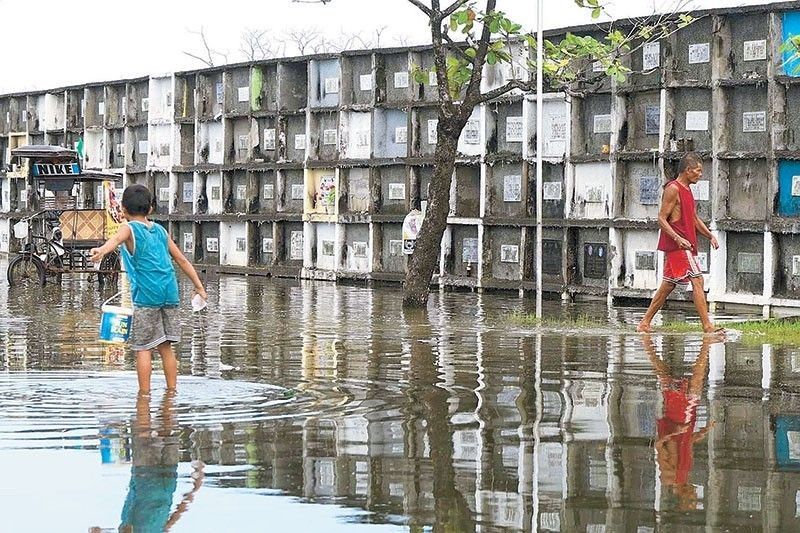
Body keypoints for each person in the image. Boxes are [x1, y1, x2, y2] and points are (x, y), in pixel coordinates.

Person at [91, 184, 208, 393]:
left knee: (143, 348)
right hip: (170, 294)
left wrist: (100, 251)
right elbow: (181, 259)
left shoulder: (128, 228)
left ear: (123, 210)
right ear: (150, 209)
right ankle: (172, 392)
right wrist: (199, 287)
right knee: (165, 346)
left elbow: (115, 240)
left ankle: (144, 395)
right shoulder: (160, 231)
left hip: (147, 297)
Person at [637, 153, 721, 333]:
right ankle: (707, 326)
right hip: (678, 246)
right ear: (688, 170)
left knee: (668, 284)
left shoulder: (688, 190)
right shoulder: (673, 188)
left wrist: (710, 236)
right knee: (697, 279)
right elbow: (661, 219)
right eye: (698, 171)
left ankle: (644, 323)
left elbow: (694, 218)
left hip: (685, 244)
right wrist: (678, 238)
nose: (700, 174)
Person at [642, 333, 720, 511]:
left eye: (692, 500)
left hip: (676, 417)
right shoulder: (685, 475)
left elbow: (660, 444)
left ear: (683, 500)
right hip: (688, 416)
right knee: (698, 375)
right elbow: (687, 443)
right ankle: (707, 343)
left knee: (663, 374)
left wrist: (676, 431)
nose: (695, 495)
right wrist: (705, 431)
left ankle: (647, 342)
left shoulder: (668, 477)